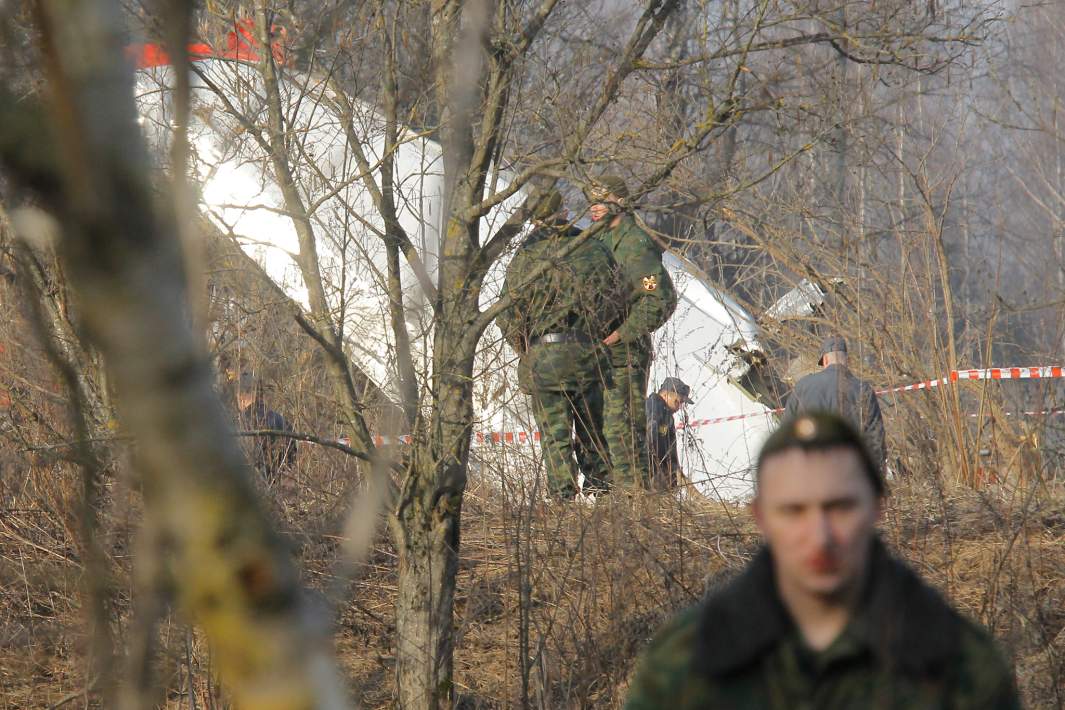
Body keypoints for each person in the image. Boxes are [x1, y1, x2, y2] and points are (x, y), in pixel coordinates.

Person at [624, 413, 1021, 709]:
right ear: (760, 517)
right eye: (793, 511)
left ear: (878, 508)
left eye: (840, 507)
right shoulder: (687, 662)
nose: (820, 536)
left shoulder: (957, 662)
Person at [496, 190, 625, 499]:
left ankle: (562, 498)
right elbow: (617, 300)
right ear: (565, 211)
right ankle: (602, 494)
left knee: (555, 436)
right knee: (592, 430)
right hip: (587, 353)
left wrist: (527, 349)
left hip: (543, 356)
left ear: (534, 219)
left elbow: (507, 314)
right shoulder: (592, 248)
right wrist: (600, 336)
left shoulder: (526, 256)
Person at [587, 175, 677, 488]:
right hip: (594, 352)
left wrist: (623, 333)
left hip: (625, 351)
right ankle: (610, 491)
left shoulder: (636, 244)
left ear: (620, 202)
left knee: (621, 424)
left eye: (601, 199)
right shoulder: (594, 241)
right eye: (591, 200)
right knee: (596, 424)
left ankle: (632, 497)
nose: (593, 207)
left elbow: (659, 298)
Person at [784, 335, 885, 472]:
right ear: (847, 360)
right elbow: (875, 436)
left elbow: (786, 430)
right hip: (850, 472)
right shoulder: (863, 389)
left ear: (825, 360)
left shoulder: (803, 386)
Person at [235, 371, 297, 481]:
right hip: (279, 488)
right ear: (262, 395)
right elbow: (292, 459)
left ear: (242, 396)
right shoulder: (281, 421)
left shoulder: (238, 423)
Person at [645, 377, 691, 490]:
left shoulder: (668, 417)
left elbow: (671, 454)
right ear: (665, 394)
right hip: (647, 473)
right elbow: (649, 444)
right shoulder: (653, 407)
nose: (679, 407)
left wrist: (675, 478)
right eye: (678, 401)